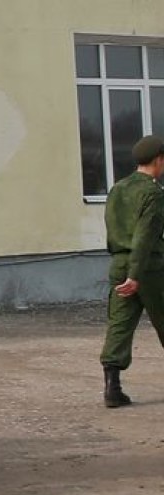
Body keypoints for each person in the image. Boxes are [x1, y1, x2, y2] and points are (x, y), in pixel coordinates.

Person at [100, 135, 164, 408]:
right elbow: (145, 237)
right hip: (147, 267)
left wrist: (124, 269)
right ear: (159, 159)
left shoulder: (118, 188)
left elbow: (112, 226)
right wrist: (135, 275)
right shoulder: (153, 192)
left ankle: (112, 387)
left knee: (120, 324)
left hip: (119, 262)